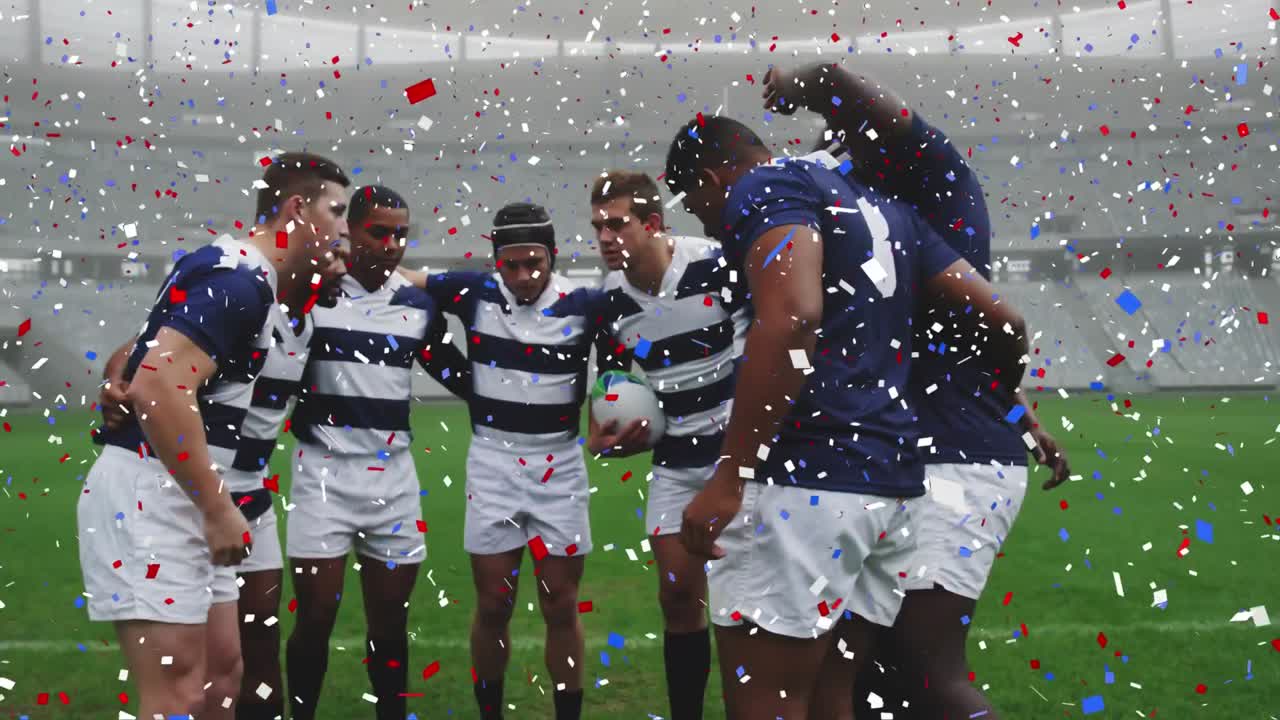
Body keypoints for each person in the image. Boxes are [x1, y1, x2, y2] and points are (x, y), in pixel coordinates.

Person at [665, 114, 1029, 720]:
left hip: (805, 483)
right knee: (836, 698)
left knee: (768, 703)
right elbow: (1005, 320)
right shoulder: (889, 209)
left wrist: (730, 476)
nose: (709, 225)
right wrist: (1006, 399)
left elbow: (794, 320)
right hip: (891, 485)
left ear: (711, 178)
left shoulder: (766, 185)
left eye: (699, 206)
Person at [760, 62, 1071, 720]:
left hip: (954, 459)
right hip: (905, 458)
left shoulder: (934, 177)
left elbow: (1002, 326)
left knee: (922, 672)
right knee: (865, 676)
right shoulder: (880, 221)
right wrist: (1018, 409)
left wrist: (803, 83)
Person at [80, 151, 351, 720]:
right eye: (337, 211)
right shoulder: (240, 277)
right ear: (298, 210)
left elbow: (146, 354)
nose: (342, 230)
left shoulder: (243, 273)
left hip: (184, 489)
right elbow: (159, 383)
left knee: (223, 676)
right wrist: (217, 507)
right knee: (177, 694)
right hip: (155, 494)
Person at [402, 202, 623, 720]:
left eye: (535, 263)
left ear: (553, 256)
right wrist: (464, 380)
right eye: (511, 265)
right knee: (494, 603)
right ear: (495, 260)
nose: (524, 276)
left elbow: (616, 362)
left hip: (559, 465)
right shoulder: (474, 292)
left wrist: (606, 411)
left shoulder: (586, 304)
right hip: (493, 463)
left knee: (560, 603)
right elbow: (406, 281)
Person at [283, 185, 468, 720]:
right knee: (315, 618)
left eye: (400, 234)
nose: (391, 244)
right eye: (379, 232)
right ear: (352, 230)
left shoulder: (417, 303)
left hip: (393, 480)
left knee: (389, 626)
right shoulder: (315, 293)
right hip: (322, 475)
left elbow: (459, 376)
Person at [583, 170, 745, 720]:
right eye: (598, 226)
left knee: (747, 602)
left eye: (617, 224)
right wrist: (604, 436)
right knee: (677, 598)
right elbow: (610, 387)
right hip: (677, 462)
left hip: (740, 460)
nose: (605, 237)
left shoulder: (716, 264)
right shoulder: (610, 302)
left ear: (652, 223)